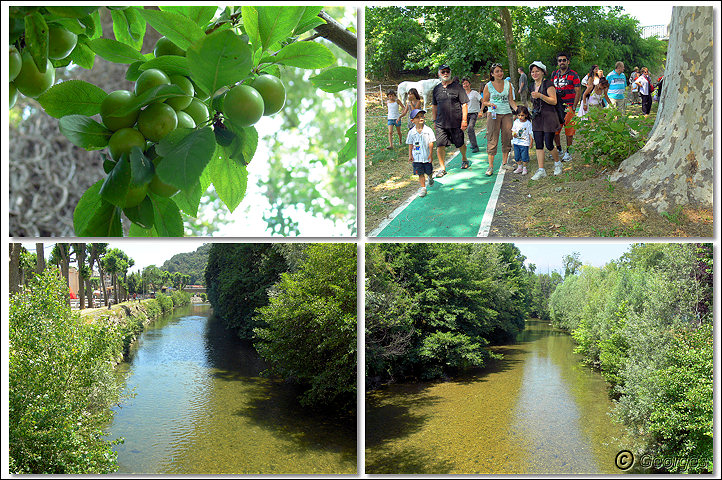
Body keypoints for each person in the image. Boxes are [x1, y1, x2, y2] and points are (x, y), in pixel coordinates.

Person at [431, 64, 469, 175]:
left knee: (460, 143)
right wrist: (434, 120)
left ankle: (464, 158)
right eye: (443, 72)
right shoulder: (436, 89)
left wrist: (464, 120)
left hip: (456, 122)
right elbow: (434, 106)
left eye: (447, 71)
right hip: (440, 123)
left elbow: (464, 104)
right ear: (439, 74)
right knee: (440, 145)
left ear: (450, 73)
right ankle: (442, 168)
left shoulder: (457, 87)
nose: (445, 73)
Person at [482, 63, 518, 176]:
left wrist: (518, 110)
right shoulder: (488, 85)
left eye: (501, 71)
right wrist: (490, 103)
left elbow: (511, 101)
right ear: (492, 74)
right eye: (497, 71)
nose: (500, 73)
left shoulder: (508, 84)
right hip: (493, 114)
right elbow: (484, 101)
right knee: (492, 138)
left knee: (507, 137)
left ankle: (504, 163)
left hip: (507, 113)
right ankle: (490, 166)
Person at [528, 61, 562, 180]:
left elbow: (554, 101)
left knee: (548, 143)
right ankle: (541, 169)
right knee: (538, 144)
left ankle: (558, 163)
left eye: (537, 71)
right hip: (537, 117)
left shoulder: (548, 83)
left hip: (549, 117)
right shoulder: (532, 85)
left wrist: (540, 96)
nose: (535, 73)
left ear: (543, 72)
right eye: (533, 71)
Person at [551, 52, 581, 162]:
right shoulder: (554, 74)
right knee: (555, 130)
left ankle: (568, 152)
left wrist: (574, 106)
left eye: (564, 60)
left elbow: (578, 91)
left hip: (569, 106)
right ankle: (559, 149)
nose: (562, 62)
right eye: (560, 60)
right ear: (557, 63)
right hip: (556, 106)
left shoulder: (574, 74)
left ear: (568, 61)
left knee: (569, 131)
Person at [406, 109, 436, 197]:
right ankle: (423, 187)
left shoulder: (428, 130)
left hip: (426, 156)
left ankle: (430, 177)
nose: (420, 118)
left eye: (422, 116)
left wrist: (431, 153)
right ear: (412, 121)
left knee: (429, 171)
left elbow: (431, 142)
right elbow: (410, 144)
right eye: (418, 117)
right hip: (417, 157)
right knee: (420, 173)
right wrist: (410, 155)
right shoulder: (411, 132)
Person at [511, 105, 533, 175]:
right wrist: (513, 134)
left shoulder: (528, 123)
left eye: (522, 115)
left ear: (526, 115)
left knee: (524, 156)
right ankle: (519, 167)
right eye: (519, 115)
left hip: (524, 143)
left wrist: (531, 143)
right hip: (516, 142)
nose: (520, 117)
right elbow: (513, 130)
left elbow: (530, 134)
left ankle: (524, 168)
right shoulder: (516, 121)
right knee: (517, 156)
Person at [461, 77, 481, 153]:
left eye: (466, 83)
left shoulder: (475, 93)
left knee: (470, 128)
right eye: (463, 84)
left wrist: (481, 111)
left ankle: (475, 146)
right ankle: (472, 144)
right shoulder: (462, 94)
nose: (465, 85)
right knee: (468, 129)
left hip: (474, 113)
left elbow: (482, 101)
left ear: (469, 84)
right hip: (465, 114)